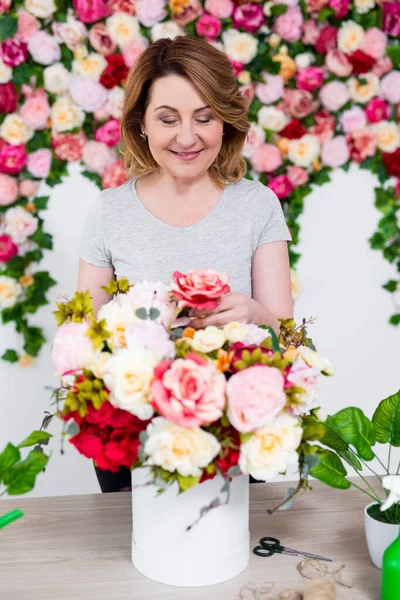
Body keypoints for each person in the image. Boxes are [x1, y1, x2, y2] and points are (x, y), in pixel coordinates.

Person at [77, 36, 293, 493]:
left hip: (236, 426)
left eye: (205, 117)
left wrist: (254, 313)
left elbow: (290, 337)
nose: (188, 137)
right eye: (168, 119)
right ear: (141, 124)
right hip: (135, 434)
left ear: (226, 121)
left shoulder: (258, 205)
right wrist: (138, 327)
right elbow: (83, 342)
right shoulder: (109, 211)